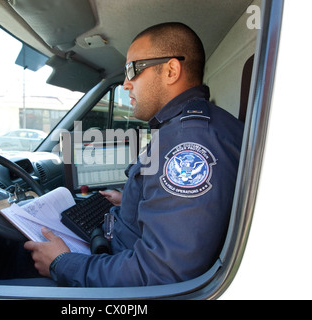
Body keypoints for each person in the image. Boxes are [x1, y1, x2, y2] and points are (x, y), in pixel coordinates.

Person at [24, 22, 244, 287]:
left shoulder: (188, 143)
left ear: (171, 71)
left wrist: (62, 264)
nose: (126, 84)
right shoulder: (183, 128)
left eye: (132, 69)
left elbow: (162, 273)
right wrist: (129, 200)